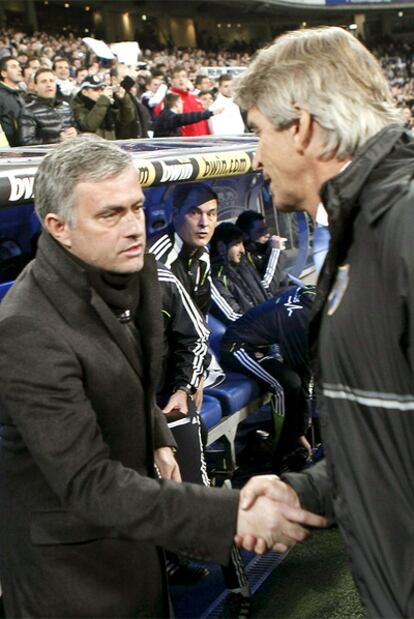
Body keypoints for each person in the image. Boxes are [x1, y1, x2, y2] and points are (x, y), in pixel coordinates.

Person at [0, 135, 325, 618]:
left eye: (135, 208)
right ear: (58, 227)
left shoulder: (141, 274)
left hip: (137, 542)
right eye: (110, 215)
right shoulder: (27, 328)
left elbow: (133, 369)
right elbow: (88, 483)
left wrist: (156, 435)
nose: (134, 228)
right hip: (70, 570)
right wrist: (233, 512)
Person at [233, 25, 413, 618]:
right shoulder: (362, 231)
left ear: (303, 127)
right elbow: (385, 428)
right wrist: (306, 489)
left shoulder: (403, 225)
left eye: (258, 131)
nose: (256, 156)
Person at [236, 210, 291, 296]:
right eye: (260, 231)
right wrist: (275, 252)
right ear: (245, 235)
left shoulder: (263, 250)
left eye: (266, 229)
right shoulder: (243, 259)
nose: (267, 234)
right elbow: (266, 288)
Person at [19, 68, 78, 145]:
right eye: (44, 81)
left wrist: (76, 133)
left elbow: (75, 128)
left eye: (51, 81)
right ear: (35, 86)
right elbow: (26, 141)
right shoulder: (28, 110)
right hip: (46, 155)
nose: (49, 84)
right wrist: (58, 139)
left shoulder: (65, 106)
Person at [71, 74, 135, 140]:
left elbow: (126, 119)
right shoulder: (78, 106)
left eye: (101, 89)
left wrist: (123, 99)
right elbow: (89, 126)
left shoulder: (105, 103)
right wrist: (103, 99)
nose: (100, 92)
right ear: (85, 92)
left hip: (109, 145)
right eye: (95, 89)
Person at [153, 92, 222, 138]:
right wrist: (209, 113)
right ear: (176, 104)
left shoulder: (165, 114)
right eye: (181, 102)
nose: (182, 104)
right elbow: (186, 118)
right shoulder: (168, 116)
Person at [168, 66, 210, 136]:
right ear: (172, 81)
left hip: (204, 142)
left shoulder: (195, 98)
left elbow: (204, 121)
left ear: (187, 79)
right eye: (177, 77)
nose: (181, 79)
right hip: (185, 143)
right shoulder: (169, 100)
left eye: (183, 76)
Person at [0, 56, 25, 146]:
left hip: (23, 148)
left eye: (19, 66)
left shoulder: (21, 93)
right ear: (4, 73)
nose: (19, 69)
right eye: (14, 67)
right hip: (10, 152)